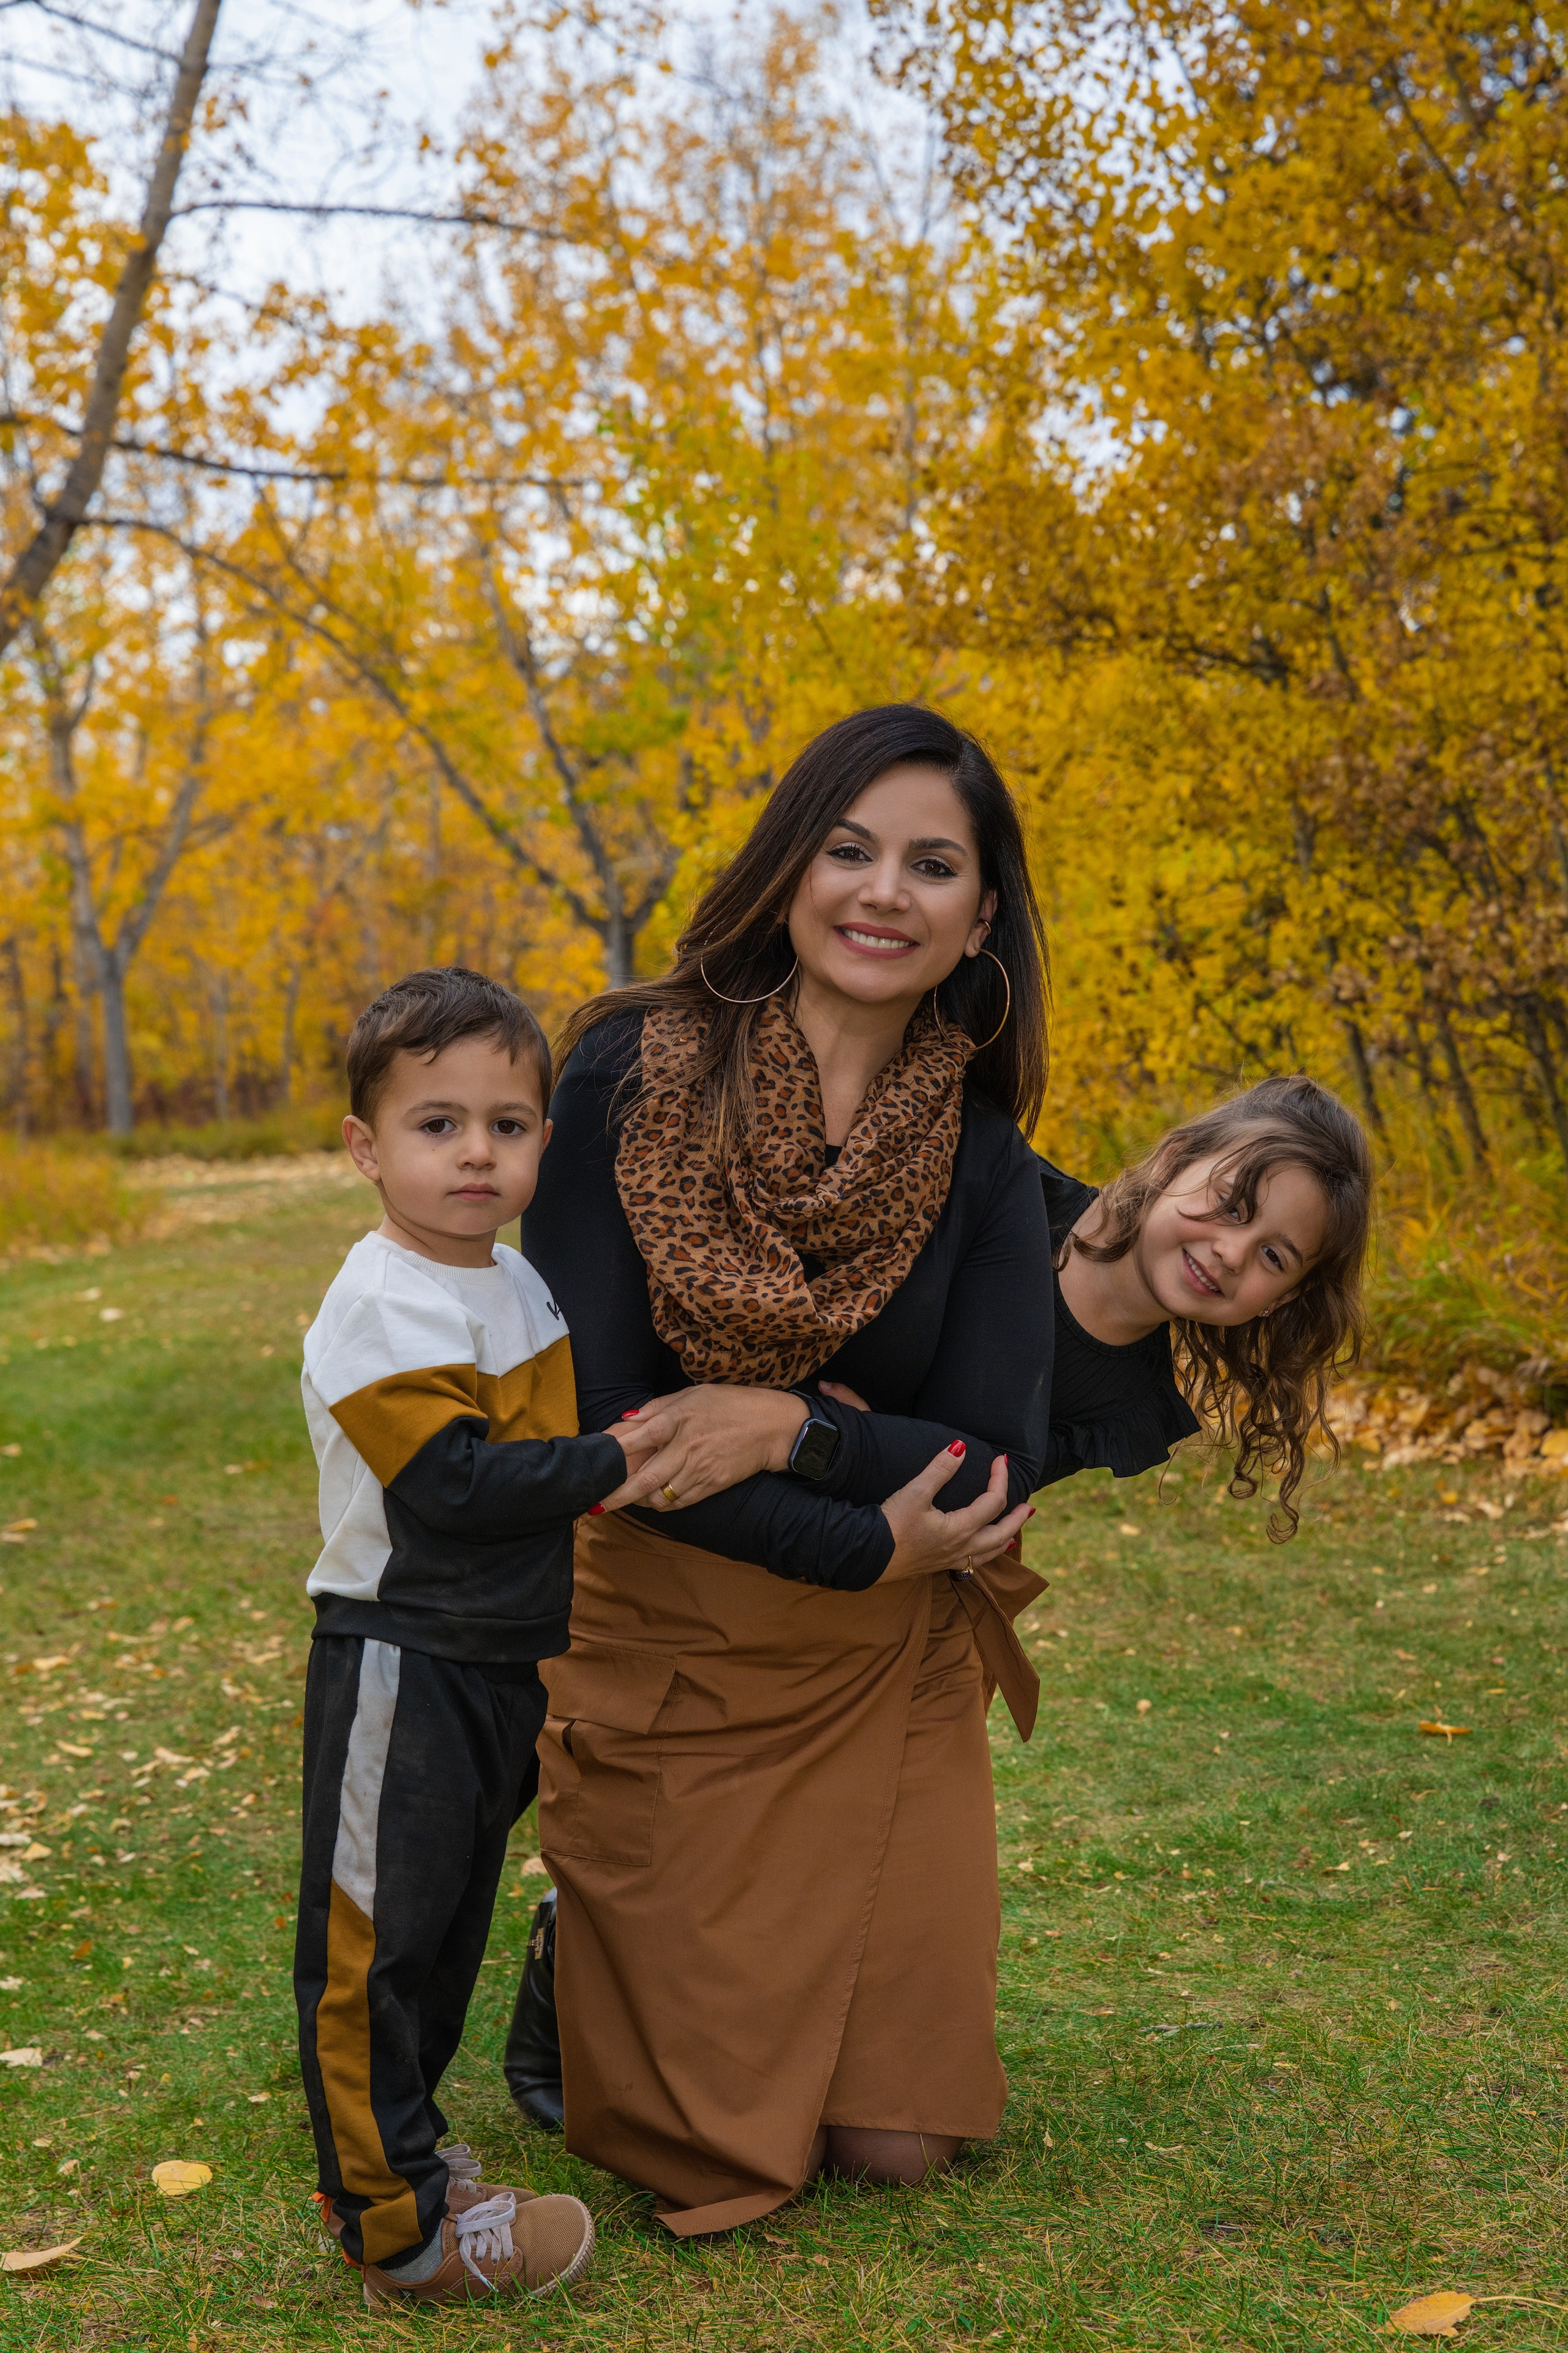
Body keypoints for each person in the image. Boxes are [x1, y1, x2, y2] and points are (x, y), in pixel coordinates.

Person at [507, 1075, 1374, 2136]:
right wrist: (851, 1435)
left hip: (897, 1592)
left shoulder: (1135, 1404)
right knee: (711, 2005)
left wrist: (866, 1449)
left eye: (1274, 1258)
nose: (1232, 1253)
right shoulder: (995, 1188)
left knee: (894, 2136)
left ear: (1283, 1300)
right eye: (1229, 1203)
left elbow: (971, 1490)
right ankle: (578, 1940)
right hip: (727, 1553)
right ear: (1179, 1156)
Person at [503, 703, 1055, 2237]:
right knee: (700, 2153)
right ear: (789, 869)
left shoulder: (986, 1151)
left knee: (890, 2149)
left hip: (881, 1666)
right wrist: (861, 1532)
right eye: (849, 848)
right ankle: (579, 1942)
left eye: (931, 864)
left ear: (978, 917)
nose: (884, 891)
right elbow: (613, 1425)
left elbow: (991, 1459)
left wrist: (784, 1422)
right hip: (674, 1623)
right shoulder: (625, 1068)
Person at [294, 967, 660, 2305]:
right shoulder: (384, 1299)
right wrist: (620, 1458)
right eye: (435, 1123)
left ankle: (420, 2148)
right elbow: (450, 1492)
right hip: (408, 1648)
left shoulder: (511, 1280)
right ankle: (394, 2225)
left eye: (507, 1124)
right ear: (364, 1146)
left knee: (442, 1929)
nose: (473, 1152)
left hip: (503, 1656)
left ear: (542, 1146)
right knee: (373, 1948)